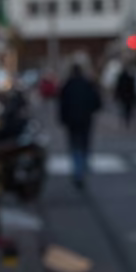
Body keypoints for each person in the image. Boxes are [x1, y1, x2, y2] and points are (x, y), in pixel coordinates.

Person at [58, 58, 102, 187]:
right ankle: (82, 167)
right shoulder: (88, 84)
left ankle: (78, 170)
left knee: (74, 145)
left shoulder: (67, 85)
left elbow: (62, 105)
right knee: (84, 143)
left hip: (72, 121)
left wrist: (63, 119)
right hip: (85, 120)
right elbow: (97, 102)